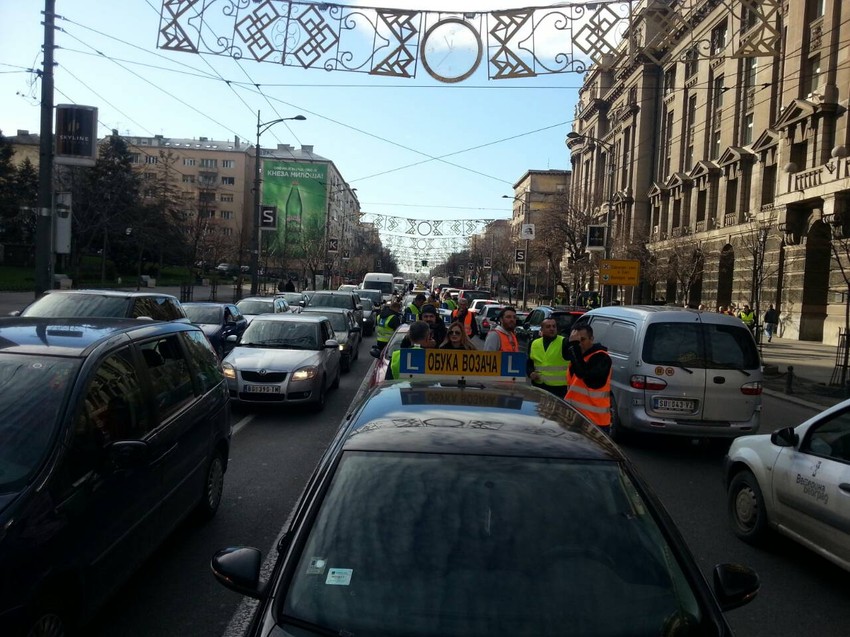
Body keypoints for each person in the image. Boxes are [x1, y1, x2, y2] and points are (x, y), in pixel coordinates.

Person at [564, 324, 613, 432]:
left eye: (582, 340)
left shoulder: (601, 357)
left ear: (592, 339)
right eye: (576, 340)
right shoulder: (579, 358)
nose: (579, 344)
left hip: (595, 423)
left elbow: (583, 373)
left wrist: (574, 346)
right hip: (575, 418)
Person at [527, 317, 571, 396]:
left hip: (558, 389)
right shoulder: (534, 343)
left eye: (554, 326)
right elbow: (529, 363)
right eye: (548, 327)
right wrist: (531, 373)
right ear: (542, 329)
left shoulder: (564, 342)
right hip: (539, 386)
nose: (552, 329)